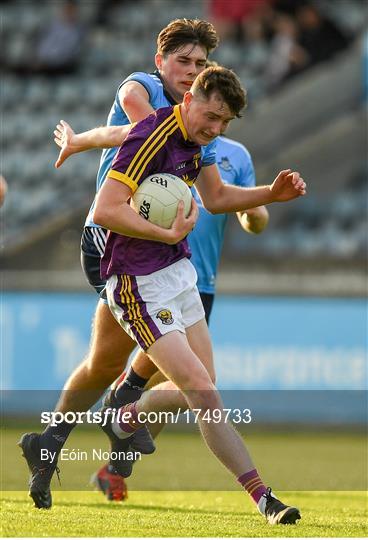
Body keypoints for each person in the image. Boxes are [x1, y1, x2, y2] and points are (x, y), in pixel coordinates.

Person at [19, 18, 221, 510]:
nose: (191, 72)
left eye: (200, 65)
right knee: (160, 341)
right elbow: (136, 128)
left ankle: (49, 441)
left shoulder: (199, 120)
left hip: (150, 252)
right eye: (183, 62)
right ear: (161, 62)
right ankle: (121, 405)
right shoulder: (141, 87)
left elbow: (215, 193)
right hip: (110, 241)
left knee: (104, 362)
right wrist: (85, 141)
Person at [90, 65, 304, 525]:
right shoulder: (151, 136)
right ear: (188, 99)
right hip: (136, 283)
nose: (216, 129)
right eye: (211, 116)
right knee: (204, 393)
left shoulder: (197, 144)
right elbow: (105, 210)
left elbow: (218, 197)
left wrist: (272, 193)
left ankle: (127, 414)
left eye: (224, 124)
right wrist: (163, 233)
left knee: (206, 389)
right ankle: (265, 500)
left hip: (178, 274)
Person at [53, 120, 269, 501]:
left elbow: (250, 216)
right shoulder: (160, 137)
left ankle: (116, 458)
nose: (214, 120)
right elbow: (118, 134)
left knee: (179, 390)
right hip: (148, 278)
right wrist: (77, 141)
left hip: (196, 284)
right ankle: (71, 434)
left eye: (224, 115)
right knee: (131, 371)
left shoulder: (236, 156)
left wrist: (256, 211)